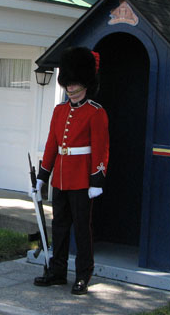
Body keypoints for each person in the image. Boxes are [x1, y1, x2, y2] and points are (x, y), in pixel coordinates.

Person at [32, 46, 109, 295]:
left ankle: (83, 275)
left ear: (85, 83)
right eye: (68, 83)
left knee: (82, 230)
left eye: (74, 83)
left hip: (82, 180)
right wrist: (43, 176)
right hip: (61, 179)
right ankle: (57, 271)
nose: (70, 87)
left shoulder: (96, 112)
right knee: (60, 227)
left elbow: (101, 149)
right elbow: (52, 145)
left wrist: (96, 180)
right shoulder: (59, 110)